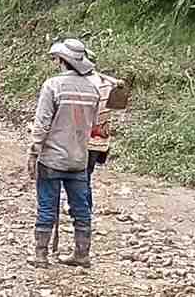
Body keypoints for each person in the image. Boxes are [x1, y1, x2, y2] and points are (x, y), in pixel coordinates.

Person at [28, 38, 100, 268]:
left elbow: (42, 123)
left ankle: (41, 255)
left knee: (47, 205)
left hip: (52, 158)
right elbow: (94, 123)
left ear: (61, 60)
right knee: (81, 208)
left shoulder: (53, 86)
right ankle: (82, 253)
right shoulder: (93, 89)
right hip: (79, 158)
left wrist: (33, 151)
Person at [86, 66, 124, 211]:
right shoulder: (108, 83)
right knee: (86, 175)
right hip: (100, 140)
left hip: (84, 140)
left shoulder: (84, 84)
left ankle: (83, 212)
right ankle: (84, 211)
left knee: (80, 177)